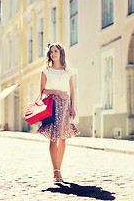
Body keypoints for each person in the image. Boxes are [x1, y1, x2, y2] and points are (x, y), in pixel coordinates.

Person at [37, 43, 80, 183]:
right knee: (53, 138)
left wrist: (73, 107)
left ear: (61, 53)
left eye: (55, 51)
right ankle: (55, 171)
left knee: (63, 138)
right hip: (53, 104)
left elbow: (72, 91)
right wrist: (57, 92)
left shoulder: (68, 71)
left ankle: (59, 169)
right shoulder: (46, 71)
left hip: (66, 105)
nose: (53, 54)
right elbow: (42, 90)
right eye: (51, 52)